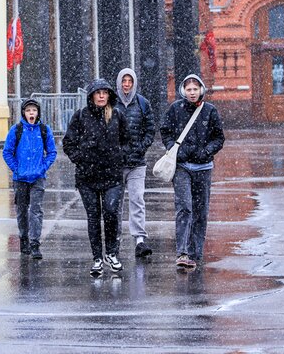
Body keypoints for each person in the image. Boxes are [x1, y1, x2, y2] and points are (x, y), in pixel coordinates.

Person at [62, 79, 130, 276]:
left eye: (105, 92)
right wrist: (80, 159)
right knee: (93, 217)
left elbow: (127, 140)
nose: (101, 96)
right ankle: (97, 258)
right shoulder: (81, 116)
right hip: (88, 176)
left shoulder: (117, 115)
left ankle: (112, 253)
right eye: (98, 92)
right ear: (91, 95)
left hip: (112, 175)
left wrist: (120, 156)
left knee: (110, 212)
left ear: (109, 95)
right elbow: (69, 142)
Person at [159, 74, 224, 269]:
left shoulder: (210, 111)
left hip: (203, 167)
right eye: (189, 89)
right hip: (182, 167)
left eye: (196, 89)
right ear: (183, 91)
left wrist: (206, 151)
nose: (192, 92)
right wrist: (175, 149)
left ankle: (196, 252)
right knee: (184, 207)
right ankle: (182, 252)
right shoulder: (175, 109)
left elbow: (219, 138)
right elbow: (165, 130)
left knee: (200, 210)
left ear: (201, 90)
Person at [2, 98, 57, 260]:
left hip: (38, 178)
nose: (31, 113)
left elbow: (52, 152)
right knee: (21, 211)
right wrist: (16, 168)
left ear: (38, 112)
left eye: (34, 110)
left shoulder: (44, 130)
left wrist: (43, 167)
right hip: (20, 178)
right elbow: (7, 152)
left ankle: (35, 243)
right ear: (24, 113)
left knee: (36, 210)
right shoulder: (16, 130)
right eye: (28, 110)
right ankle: (24, 239)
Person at [114, 68, 156, 258]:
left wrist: (142, 146)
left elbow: (150, 129)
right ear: (119, 82)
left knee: (137, 199)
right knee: (114, 203)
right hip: (115, 163)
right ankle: (114, 238)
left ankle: (139, 239)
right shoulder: (111, 103)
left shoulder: (142, 103)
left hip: (137, 162)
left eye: (130, 81)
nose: (127, 84)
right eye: (124, 81)